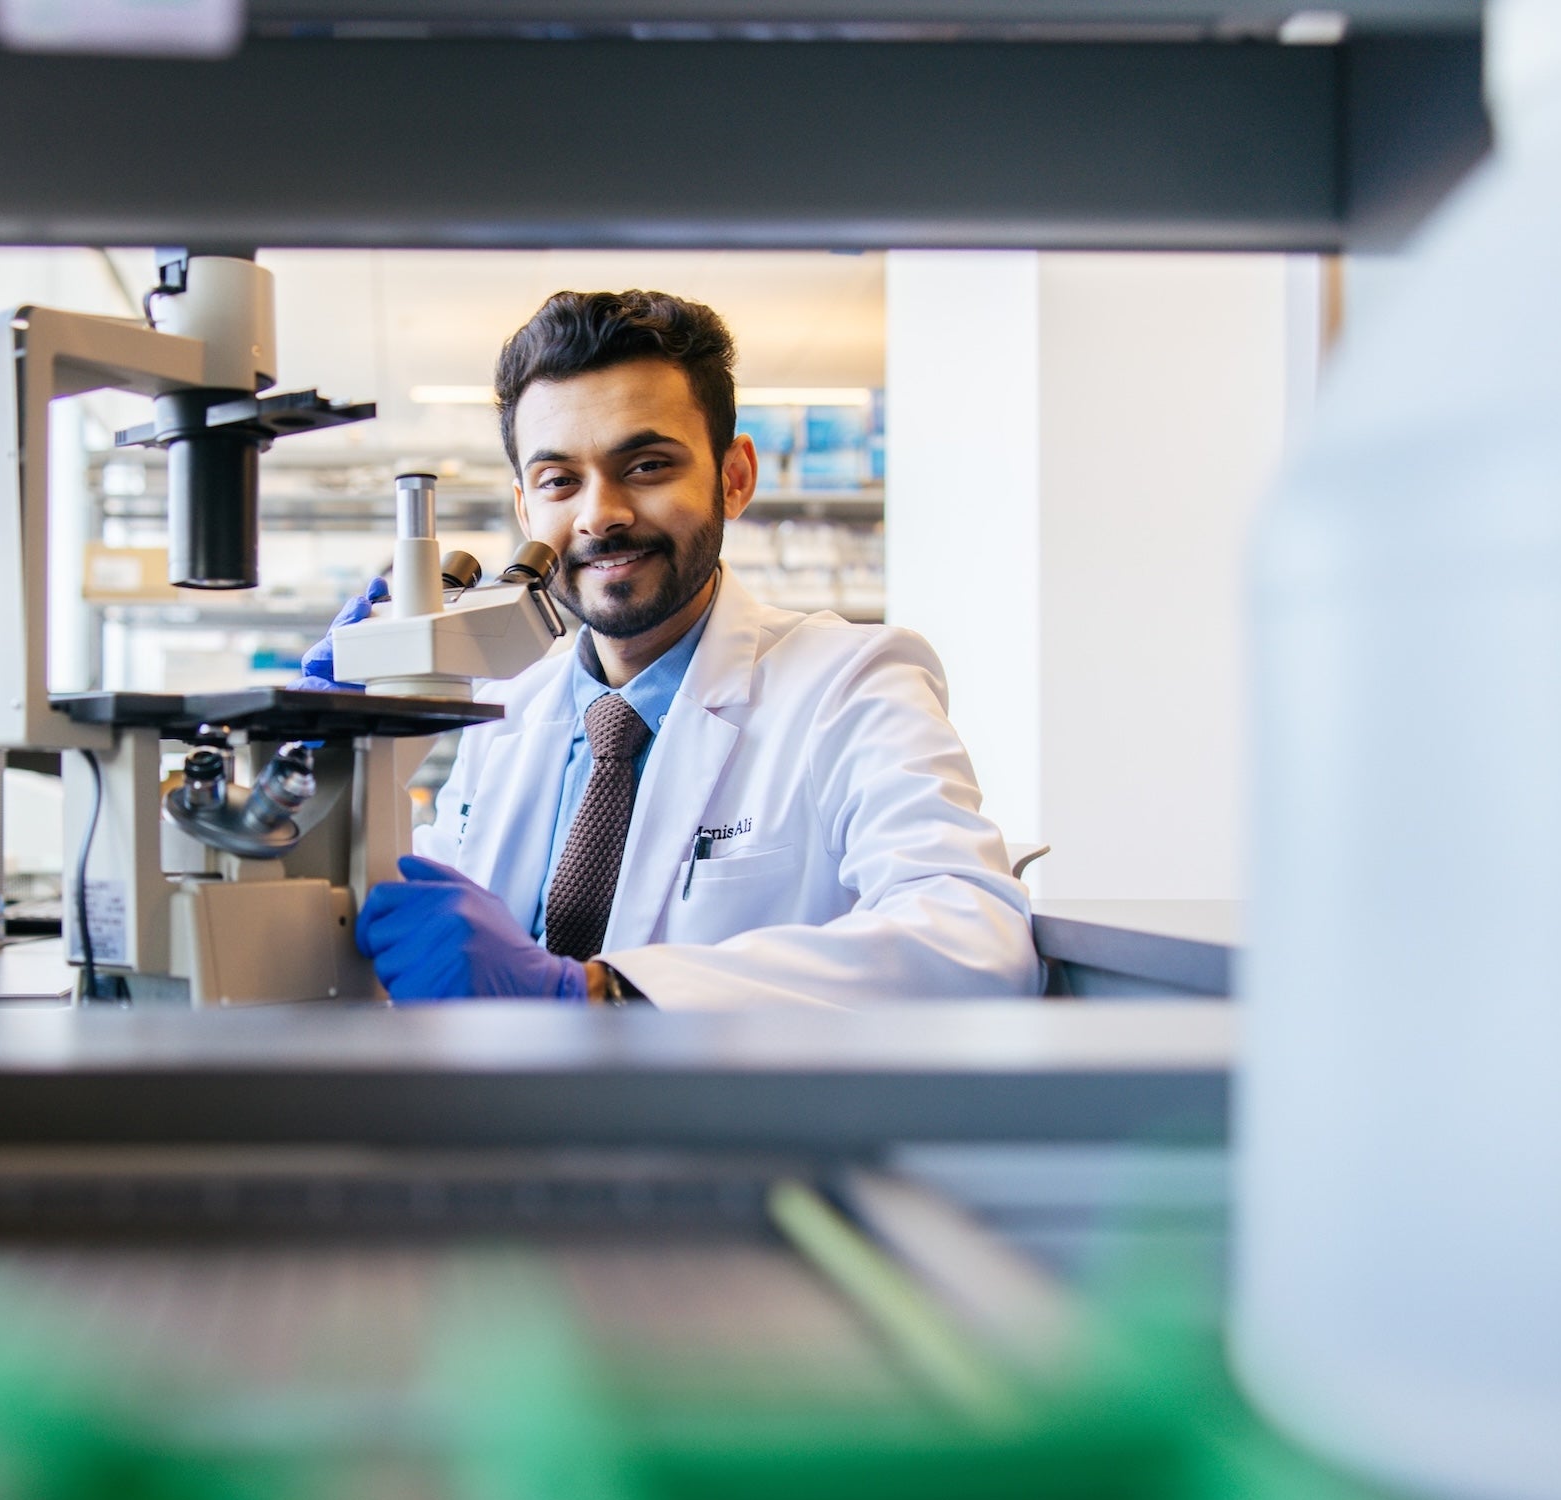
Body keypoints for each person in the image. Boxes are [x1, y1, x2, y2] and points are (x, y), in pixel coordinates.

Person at [299, 289, 1041, 1008]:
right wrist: (324, 770)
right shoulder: (506, 716)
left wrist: (599, 995)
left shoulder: (850, 685)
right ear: (525, 507)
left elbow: (975, 941)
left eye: (647, 466)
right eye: (559, 480)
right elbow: (408, 933)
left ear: (734, 476)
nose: (602, 516)